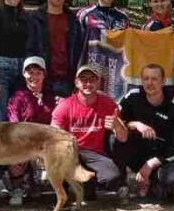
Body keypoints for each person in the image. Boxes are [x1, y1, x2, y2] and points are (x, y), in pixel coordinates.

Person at [52, 62, 128, 196]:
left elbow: (124, 137)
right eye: (83, 80)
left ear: (98, 82)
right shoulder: (65, 106)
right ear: (76, 83)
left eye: (92, 79)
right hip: (72, 151)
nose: (88, 83)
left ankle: (92, 184)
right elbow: (52, 135)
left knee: (114, 178)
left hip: (95, 154)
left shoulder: (108, 104)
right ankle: (65, 187)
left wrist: (117, 125)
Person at [115, 64, 174, 198]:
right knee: (114, 135)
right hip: (137, 154)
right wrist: (136, 124)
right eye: (146, 79)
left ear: (163, 81)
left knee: (173, 182)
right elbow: (117, 120)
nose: (149, 83)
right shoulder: (133, 96)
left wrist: (151, 163)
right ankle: (123, 181)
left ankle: (153, 183)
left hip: (162, 158)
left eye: (154, 79)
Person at [5, 56, 56, 205]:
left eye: (38, 72)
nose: (34, 76)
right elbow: (14, 124)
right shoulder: (17, 98)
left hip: (46, 144)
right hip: (23, 143)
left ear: (44, 74)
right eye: (30, 72)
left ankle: (39, 183)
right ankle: (17, 189)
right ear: (24, 74)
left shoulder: (52, 98)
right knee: (15, 155)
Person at [76, 0, 130, 100]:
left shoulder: (123, 18)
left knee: (111, 104)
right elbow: (77, 44)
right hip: (91, 66)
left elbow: (128, 47)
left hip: (115, 70)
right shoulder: (84, 14)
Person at [31, 0, 85, 99]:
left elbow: (78, 49)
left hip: (66, 79)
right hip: (42, 78)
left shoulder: (73, 20)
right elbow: (30, 48)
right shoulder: (35, 19)